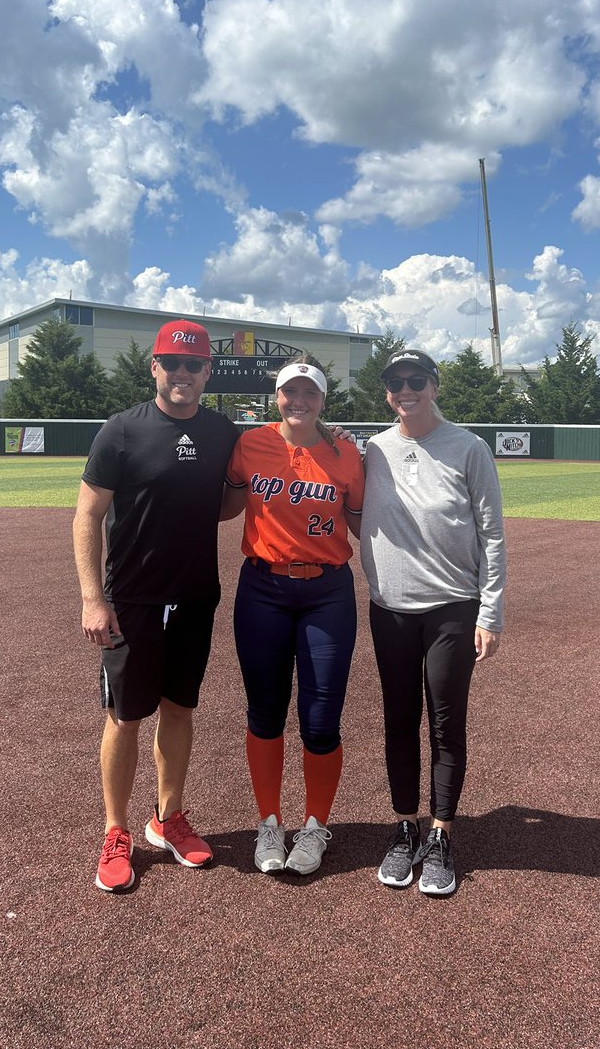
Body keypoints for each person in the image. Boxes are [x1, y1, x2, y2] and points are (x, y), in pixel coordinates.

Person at [73, 319, 239, 892]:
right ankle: (115, 830)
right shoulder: (121, 431)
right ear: (155, 367)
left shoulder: (222, 432)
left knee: (179, 709)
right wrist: (93, 598)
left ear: (208, 372)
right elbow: (87, 516)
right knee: (125, 715)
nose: (183, 374)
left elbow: (224, 504)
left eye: (194, 365)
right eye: (173, 363)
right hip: (132, 600)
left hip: (194, 596)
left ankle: (167, 818)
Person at [359, 348, 506, 896]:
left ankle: (441, 832)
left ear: (435, 386)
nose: (405, 390)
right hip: (390, 606)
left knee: (446, 722)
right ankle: (405, 826)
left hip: (453, 607)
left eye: (416, 380)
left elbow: (492, 533)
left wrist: (490, 611)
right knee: (398, 719)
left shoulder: (469, 448)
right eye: (395, 382)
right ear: (387, 393)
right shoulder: (373, 448)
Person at [222, 357, 365, 876]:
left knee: (321, 718)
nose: (298, 401)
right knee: (264, 710)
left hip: (327, 591)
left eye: (309, 393)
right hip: (262, 586)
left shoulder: (346, 451)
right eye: (289, 392)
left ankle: (313, 825)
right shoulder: (250, 444)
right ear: (276, 396)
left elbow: (363, 519)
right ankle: (269, 823)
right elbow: (225, 505)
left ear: (323, 400)